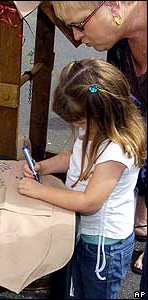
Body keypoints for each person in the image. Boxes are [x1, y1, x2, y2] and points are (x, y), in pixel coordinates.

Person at [18, 58, 146, 299]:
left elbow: (89, 202)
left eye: (78, 122)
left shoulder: (115, 151)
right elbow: (74, 156)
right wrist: (43, 167)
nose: (75, 127)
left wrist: (38, 190)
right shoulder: (96, 129)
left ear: (104, 113)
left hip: (104, 247)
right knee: (77, 289)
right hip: (87, 236)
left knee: (96, 293)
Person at [49, 1, 147, 287]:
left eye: (79, 25)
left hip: (107, 243)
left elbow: (90, 200)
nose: (77, 37)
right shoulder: (119, 50)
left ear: (115, 6)